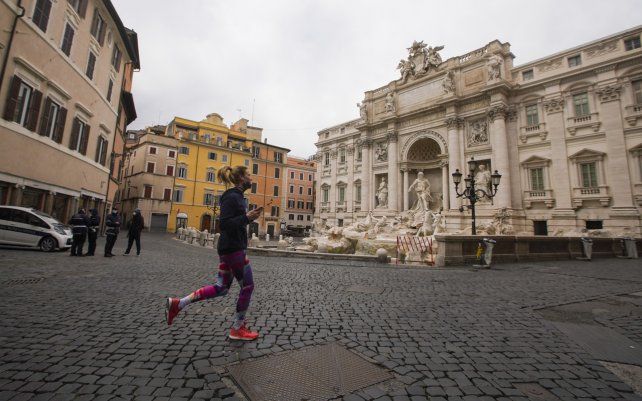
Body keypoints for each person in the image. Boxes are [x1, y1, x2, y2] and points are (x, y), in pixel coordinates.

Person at [166, 166, 262, 341]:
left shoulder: (237, 197)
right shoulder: (233, 197)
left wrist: (247, 217)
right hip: (233, 249)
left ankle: (179, 304)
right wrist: (247, 218)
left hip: (229, 248)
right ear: (241, 178)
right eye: (249, 175)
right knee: (247, 286)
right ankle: (237, 328)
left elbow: (234, 221)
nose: (251, 179)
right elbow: (224, 224)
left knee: (222, 288)